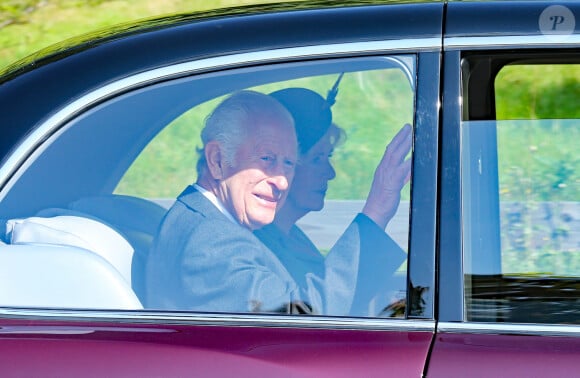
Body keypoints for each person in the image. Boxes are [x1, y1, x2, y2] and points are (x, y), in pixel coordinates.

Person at [146, 90, 356, 315]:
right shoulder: (212, 245)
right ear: (217, 160)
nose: (282, 182)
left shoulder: (210, 223)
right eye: (267, 159)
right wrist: (377, 210)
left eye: (288, 164)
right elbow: (308, 318)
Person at [254, 86, 412, 316]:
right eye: (317, 159)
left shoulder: (290, 236)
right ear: (282, 165)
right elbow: (316, 313)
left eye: (328, 156)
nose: (330, 173)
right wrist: (377, 208)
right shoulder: (258, 249)